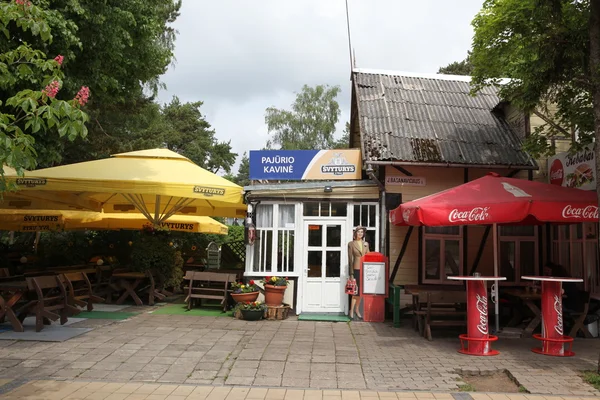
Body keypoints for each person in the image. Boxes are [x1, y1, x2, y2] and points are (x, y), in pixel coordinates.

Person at [348, 226, 369, 319]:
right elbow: (350, 259)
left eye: (362, 232)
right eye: (358, 232)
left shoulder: (366, 244)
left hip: (364, 269)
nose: (360, 234)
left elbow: (369, 255)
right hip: (356, 269)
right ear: (355, 233)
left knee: (360, 292)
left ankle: (357, 309)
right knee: (355, 291)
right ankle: (351, 310)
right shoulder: (351, 244)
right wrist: (351, 273)